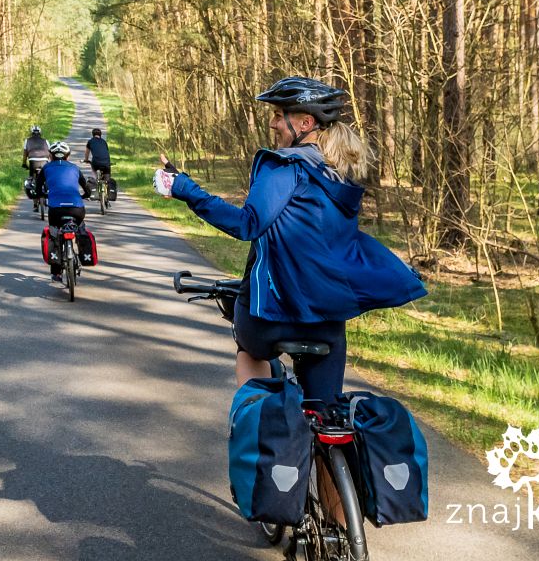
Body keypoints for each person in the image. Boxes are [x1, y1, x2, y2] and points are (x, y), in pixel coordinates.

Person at [153, 76, 427, 403]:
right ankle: (331, 452)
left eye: (279, 115)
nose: (272, 124)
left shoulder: (285, 167)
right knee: (327, 415)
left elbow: (248, 224)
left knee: (249, 351)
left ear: (305, 122)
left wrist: (184, 188)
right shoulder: (338, 174)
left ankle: (263, 428)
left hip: (271, 321)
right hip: (326, 321)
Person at [37, 142, 91, 282]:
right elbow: (86, 187)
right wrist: (85, 195)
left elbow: (38, 188)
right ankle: (82, 251)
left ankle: (57, 273)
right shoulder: (74, 168)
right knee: (79, 227)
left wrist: (43, 194)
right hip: (77, 209)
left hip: (56, 210)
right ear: (68, 156)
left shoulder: (46, 168)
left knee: (55, 233)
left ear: (51, 155)